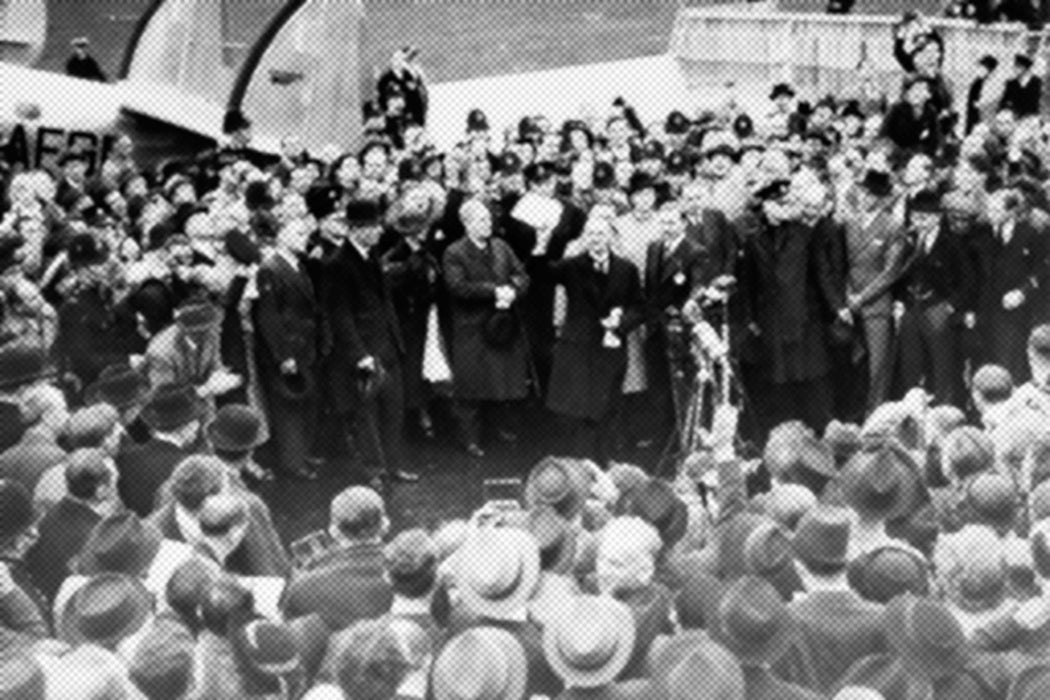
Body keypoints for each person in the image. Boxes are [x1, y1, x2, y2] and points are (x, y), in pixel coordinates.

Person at [321, 199, 418, 485]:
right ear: (355, 229)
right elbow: (340, 315)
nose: (378, 231)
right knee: (367, 415)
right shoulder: (337, 264)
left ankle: (393, 465)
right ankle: (374, 469)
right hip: (364, 352)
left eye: (378, 225)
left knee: (393, 412)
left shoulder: (371, 256)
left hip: (387, 346)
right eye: (371, 226)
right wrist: (359, 354)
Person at [546, 216, 643, 463]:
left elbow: (639, 307)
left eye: (600, 234)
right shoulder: (571, 266)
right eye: (590, 234)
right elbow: (542, 274)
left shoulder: (626, 269)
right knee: (581, 409)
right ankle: (582, 464)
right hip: (580, 348)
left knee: (608, 405)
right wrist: (542, 245)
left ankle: (604, 460)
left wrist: (620, 324)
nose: (595, 239)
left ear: (610, 237)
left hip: (611, 347)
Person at [443, 198, 531, 457]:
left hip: (501, 326)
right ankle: (469, 438)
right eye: (481, 220)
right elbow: (457, 287)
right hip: (472, 328)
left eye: (488, 219)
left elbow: (522, 275)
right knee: (471, 389)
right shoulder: (454, 252)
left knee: (500, 383)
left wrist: (513, 290)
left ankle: (498, 430)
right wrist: (495, 291)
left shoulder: (501, 246)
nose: (488, 223)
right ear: (467, 223)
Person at [893, 189, 976, 407]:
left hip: (938, 308)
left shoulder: (953, 242)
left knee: (942, 367)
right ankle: (912, 412)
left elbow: (969, 282)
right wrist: (900, 301)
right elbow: (899, 275)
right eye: (915, 216)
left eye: (924, 217)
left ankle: (944, 413)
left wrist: (949, 307)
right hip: (912, 307)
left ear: (937, 217)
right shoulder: (909, 240)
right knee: (910, 364)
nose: (918, 221)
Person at [252, 218, 321, 480]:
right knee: (288, 407)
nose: (305, 236)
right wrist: (283, 355)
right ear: (282, 236)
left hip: (303, 346)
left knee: (302, 401)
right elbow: (269, 316)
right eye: (298, 232)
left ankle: (301, 454)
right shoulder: (270, 269)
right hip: (289, 349)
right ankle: (292, 462)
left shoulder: (297, 266)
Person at [840, 167, 909, 414]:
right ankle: (853, 411)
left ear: (880, 198)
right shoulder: (849, 223)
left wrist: (862, 297)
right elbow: (844, 264)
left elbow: (891, 271)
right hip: (850, 301)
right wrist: (848, 295)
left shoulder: (892, 226)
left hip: (876, 304)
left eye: (869, 194)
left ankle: (875, 413)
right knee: (852, 360)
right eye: (861, 192)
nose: (863, 198)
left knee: (878, 366)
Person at [281, 487, 394, 630]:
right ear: (385, 525)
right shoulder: (411, 574)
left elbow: (287, 627)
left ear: (334, 531)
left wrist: (294, 579)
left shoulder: (303, 585)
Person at [974, 188, 1050, 384]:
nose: (990, 215)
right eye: (989, 209)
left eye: (996, 211)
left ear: (1011, 212)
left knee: (1010, 361)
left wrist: (1023, 292)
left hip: (1016, 308)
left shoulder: (1032, 233)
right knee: (987, 359)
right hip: (987, 307)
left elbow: (1042, 268)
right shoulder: (983, 232)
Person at [377, 47, 429, 127]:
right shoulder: (386, 78)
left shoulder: (408, 75)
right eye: (396, 60)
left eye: (401, 60)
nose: (399, 63)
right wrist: (386, 110)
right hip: (395, 114)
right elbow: (380, 95)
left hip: (411, 114)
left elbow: (416, 95)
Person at [1000, 53, 1042, 118]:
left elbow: (1034, 103)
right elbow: (1003, 102)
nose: (1015, 69)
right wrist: (1007, 110)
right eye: (1015, 66)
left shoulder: (1036, 82)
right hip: (1014, 116)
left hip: (1030, 116)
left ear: (1025, 68)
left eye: (1018, 67)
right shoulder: (1011, 83)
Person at [967, 55, 999, 135]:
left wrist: (980, 104)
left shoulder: (993, 83)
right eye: (980, 67)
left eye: (983, 67)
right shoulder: (977, 82)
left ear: (990, 70)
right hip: (974, 118)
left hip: (985, 119)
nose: (980, 70)